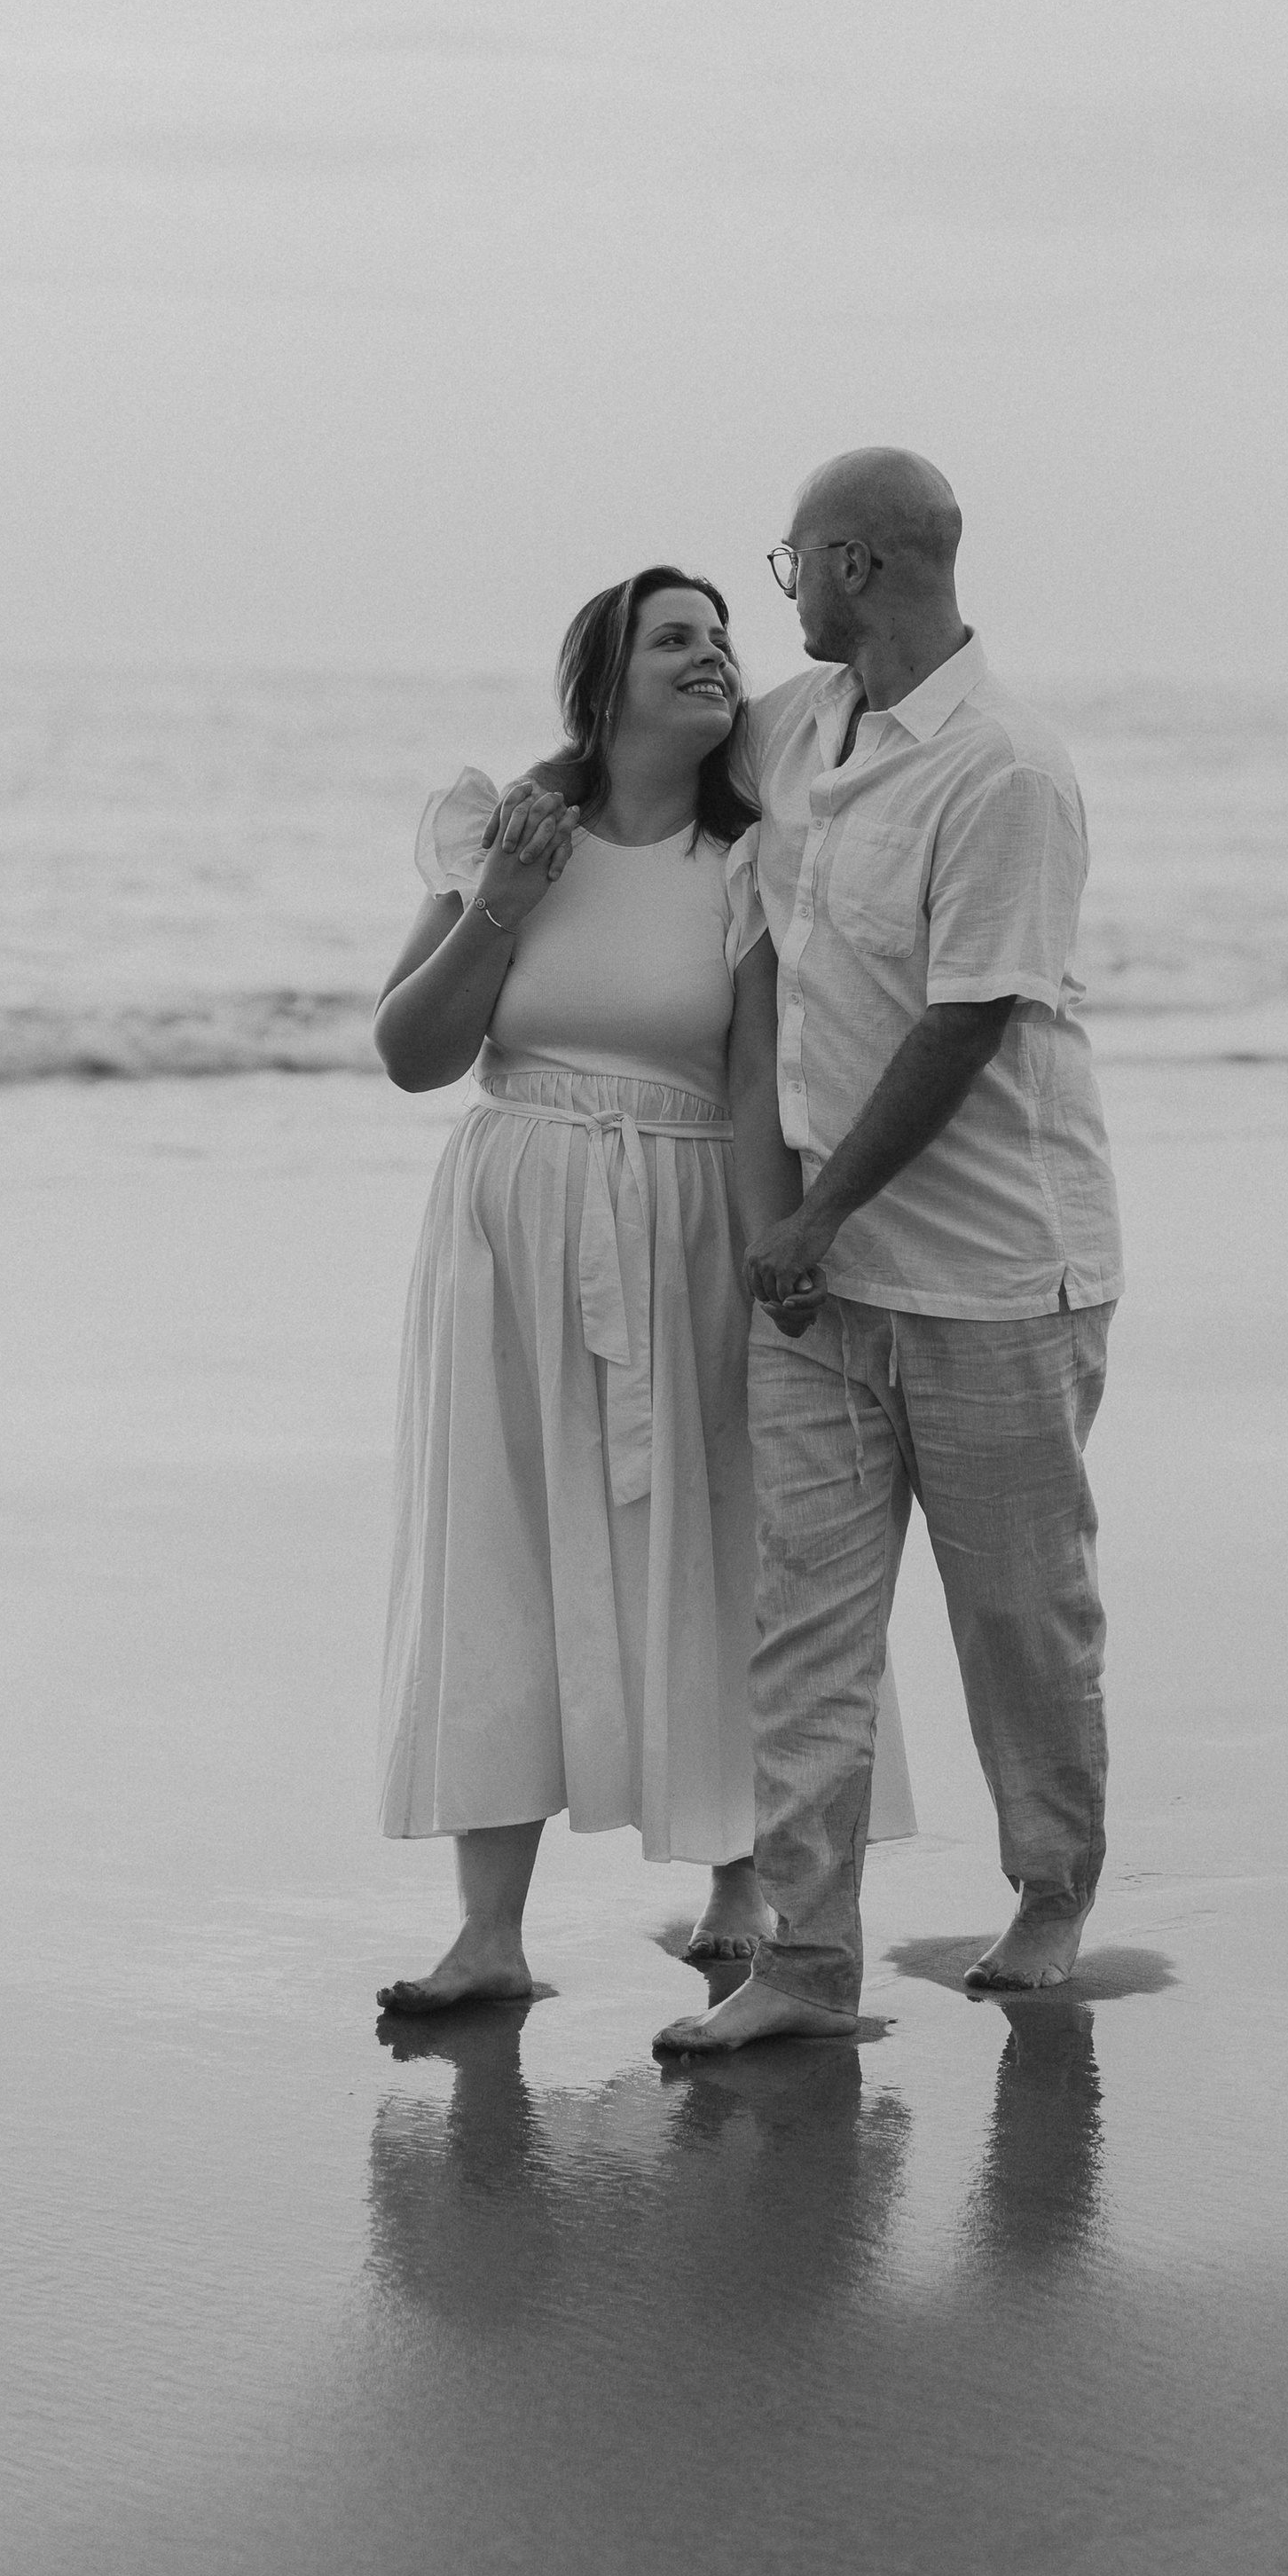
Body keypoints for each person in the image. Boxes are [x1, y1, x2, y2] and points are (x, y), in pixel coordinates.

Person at [373, 564, 914, 2013]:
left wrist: (776, 1256)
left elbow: (750, 1083)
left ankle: (740, 1881)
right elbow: (411, 1052)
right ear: (602, 680)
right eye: (678, 636)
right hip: (512, 1226)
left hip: (685, 1222)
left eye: (727, 636)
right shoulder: (500, 828)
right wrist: (498, 900)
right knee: (505, 1541)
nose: (717, 656)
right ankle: (489, 1932)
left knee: (724, 1530)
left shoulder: (748, 863)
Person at [655, 449, 1125, 2059]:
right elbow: (658, 754)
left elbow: (971, 1017)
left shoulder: (1006, 769)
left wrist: (820, 1207)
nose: (784, 597)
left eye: (786, 567)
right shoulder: (802, 726)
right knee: (806, 1622)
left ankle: (1053, 1891)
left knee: (1018, 1617)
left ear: (851, 562)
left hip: (996, 1274)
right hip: (823, 1281)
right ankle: (804, 1960)